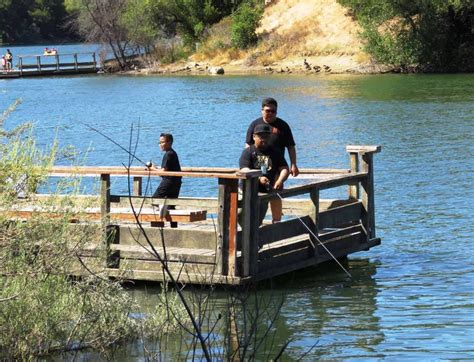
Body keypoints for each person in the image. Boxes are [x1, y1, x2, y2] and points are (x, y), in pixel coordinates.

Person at [245, 97, 298, 223]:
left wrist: (293, 164)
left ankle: (276, 221)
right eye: (268, 111)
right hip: (260, 161)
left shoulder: (283, 126)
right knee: (260, 188)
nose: (270, 113)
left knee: (275, 190)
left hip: (277, 162)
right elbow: (248, 145)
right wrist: (249, 162)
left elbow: (291, 146)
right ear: (262, 110)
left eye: (273, 111)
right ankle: (256, 220)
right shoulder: (255, 124)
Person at [239, 123, 289, 224]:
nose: (263, 139)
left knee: (257, 221)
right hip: (246, 190)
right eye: (260, 136)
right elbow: (244, 169)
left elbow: (284, 168)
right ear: (254, 137)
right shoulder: (248, 152)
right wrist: (259, 178)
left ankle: (253, 237)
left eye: (266, 136)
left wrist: (280, 180)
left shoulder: (274, 152)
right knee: (240, 216)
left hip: (264, 192)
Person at [149, 133, 182, 198]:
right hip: (176, 183)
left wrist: (153, 169)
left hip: (168, 183)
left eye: (162, 142)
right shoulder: (172, 153)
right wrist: (156, 169)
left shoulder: (168, 154)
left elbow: (163, 171)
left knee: (154, 200)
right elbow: (166, 169)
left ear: (169, 142)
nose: (160, 145)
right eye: (159, 143)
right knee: (170, 205)